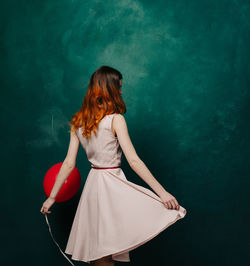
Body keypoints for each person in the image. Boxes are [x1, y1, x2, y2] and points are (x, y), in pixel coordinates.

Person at [40, 65, 186, 265]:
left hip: (93, 188)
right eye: (119, 87)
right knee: (103, 253)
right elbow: (133, 161)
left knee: (98, 254)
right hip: (112, 186)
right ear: (109, 89)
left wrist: (52, 197)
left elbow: (68, 164)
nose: (122, 91)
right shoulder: (116, 120)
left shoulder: (78, 122)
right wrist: (162, 193)